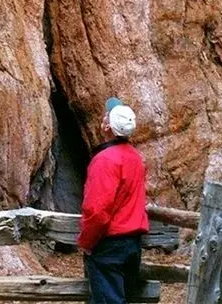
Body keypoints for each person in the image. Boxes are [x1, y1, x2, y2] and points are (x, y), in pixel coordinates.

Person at [77, 98, 149, 304]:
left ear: (107, 126)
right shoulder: (135, 158)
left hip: (110, 245)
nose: (103, 117)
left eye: (106, 116)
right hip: (132, 244)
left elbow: (97, 209)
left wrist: (87, 242)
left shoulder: (105, 160)